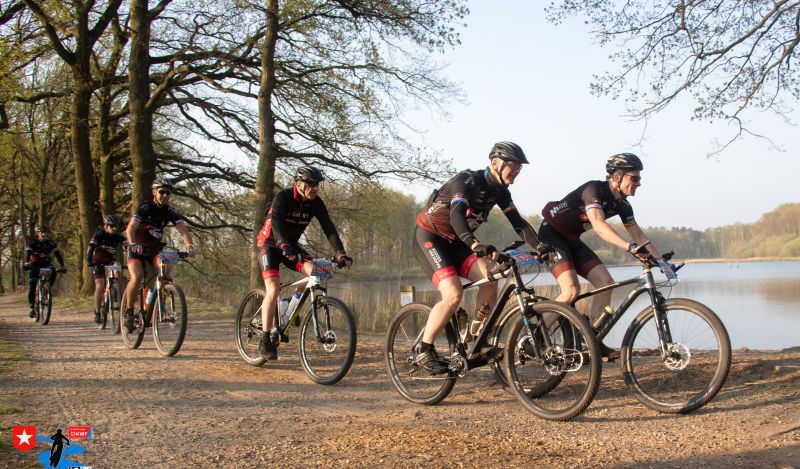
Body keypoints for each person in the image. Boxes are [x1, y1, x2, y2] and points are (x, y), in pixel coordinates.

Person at [411, 141, 543, 375]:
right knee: (453, 293)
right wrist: (474, 243)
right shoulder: (467, 181)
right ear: (496, 163)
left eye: (519, 167)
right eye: (513, 165)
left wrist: (541, 245)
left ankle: (476, 340)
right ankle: (424, 349)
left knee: (490, 280)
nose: (516, 171)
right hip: (431, 237)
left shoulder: (500, 191)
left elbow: (518, 223)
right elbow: (456, 215)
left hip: (458, 243)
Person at [539, 152, 663, 360]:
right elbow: (598, 225)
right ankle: (535, 336)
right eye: (634, 178)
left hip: (572, 239)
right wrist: (629, 247)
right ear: (617, 177)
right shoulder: (594, 190)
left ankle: (591, 338)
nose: (639, 183)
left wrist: (662, 261)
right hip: (551, 236)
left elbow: (639, 235)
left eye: (639, 178)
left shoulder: (622, 204)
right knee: (571, 290)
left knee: (606, 283)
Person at [255, 165, 352, 360]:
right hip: (270, 244)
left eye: (317, 184)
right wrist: (282, 243)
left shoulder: (315, 203)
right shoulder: (283, 197)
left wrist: (340, 253)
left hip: (290, 246)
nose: (315, 188)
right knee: (273, 289)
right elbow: (276, 223)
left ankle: (289, 305)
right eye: (311, 184)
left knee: (319, 272)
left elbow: (328, 227)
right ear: (299, 184)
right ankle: (265, 340)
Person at [123, 177, 196, 333]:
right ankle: (129, 312)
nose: (165, 196)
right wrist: (133, 243)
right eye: (162, 192)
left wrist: (189, 246)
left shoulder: (169, 211)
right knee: (137, 276)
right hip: (137, 248)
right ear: (154, 192)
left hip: (154, 249)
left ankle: (152, 305)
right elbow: (131, 228)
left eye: (168, 193)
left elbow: (183, 230)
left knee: (165, 271)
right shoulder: (145, 208)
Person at [86, 215, 126, 324]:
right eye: (112, 226)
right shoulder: (99, 235)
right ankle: (97, 312)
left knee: (118, 266)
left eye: (116, 226)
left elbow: (127, 246)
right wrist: (89, 262)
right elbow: (90, 248)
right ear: (106, 226)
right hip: (97, 261)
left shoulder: (118, 235)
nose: (114, 228)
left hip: (110, 260)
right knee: (100, 285)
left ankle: (115, 290)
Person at [23, 224, 67, 318]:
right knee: (32, 285)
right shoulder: (33, 243)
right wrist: (27, 263)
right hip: (35, 264)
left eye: (45, 232)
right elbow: (28, 253)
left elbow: (57, 254)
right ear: (38, 233)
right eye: (42, 232)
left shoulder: (51, 243)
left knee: (53, 271)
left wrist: (62, 265)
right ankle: (32, 308)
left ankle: (46, 289)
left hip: (46, 264)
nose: (43, 234)